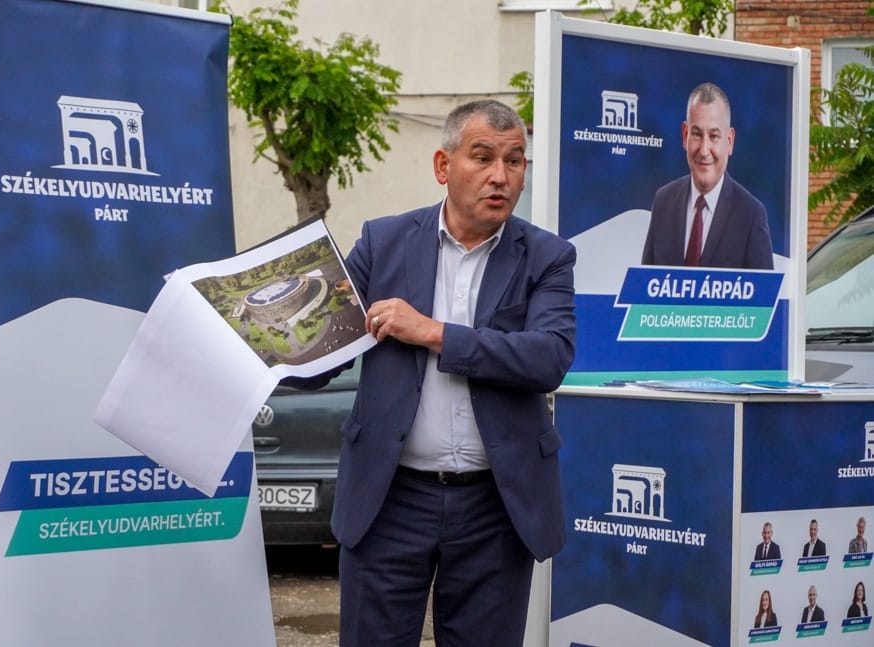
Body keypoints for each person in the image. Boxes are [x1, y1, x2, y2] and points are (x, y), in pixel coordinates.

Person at [311, 99, 577, 647]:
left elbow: (548, 357)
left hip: (494, 506)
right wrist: (263, 343)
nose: (500, 176)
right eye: (482, 157)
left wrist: (433, 332)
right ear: (443, 165)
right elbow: (322, 352)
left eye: (514, 161)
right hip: (389, 499)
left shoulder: (547, 256)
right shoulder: (382, 243)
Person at [641, 82, 773, 269]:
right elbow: (645, 285)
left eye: (714, 136)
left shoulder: (751, 216)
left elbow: (762, 289)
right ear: (685, 135)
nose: (704, 150)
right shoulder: (663, 202)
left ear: (729, 141)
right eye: (696, 134)